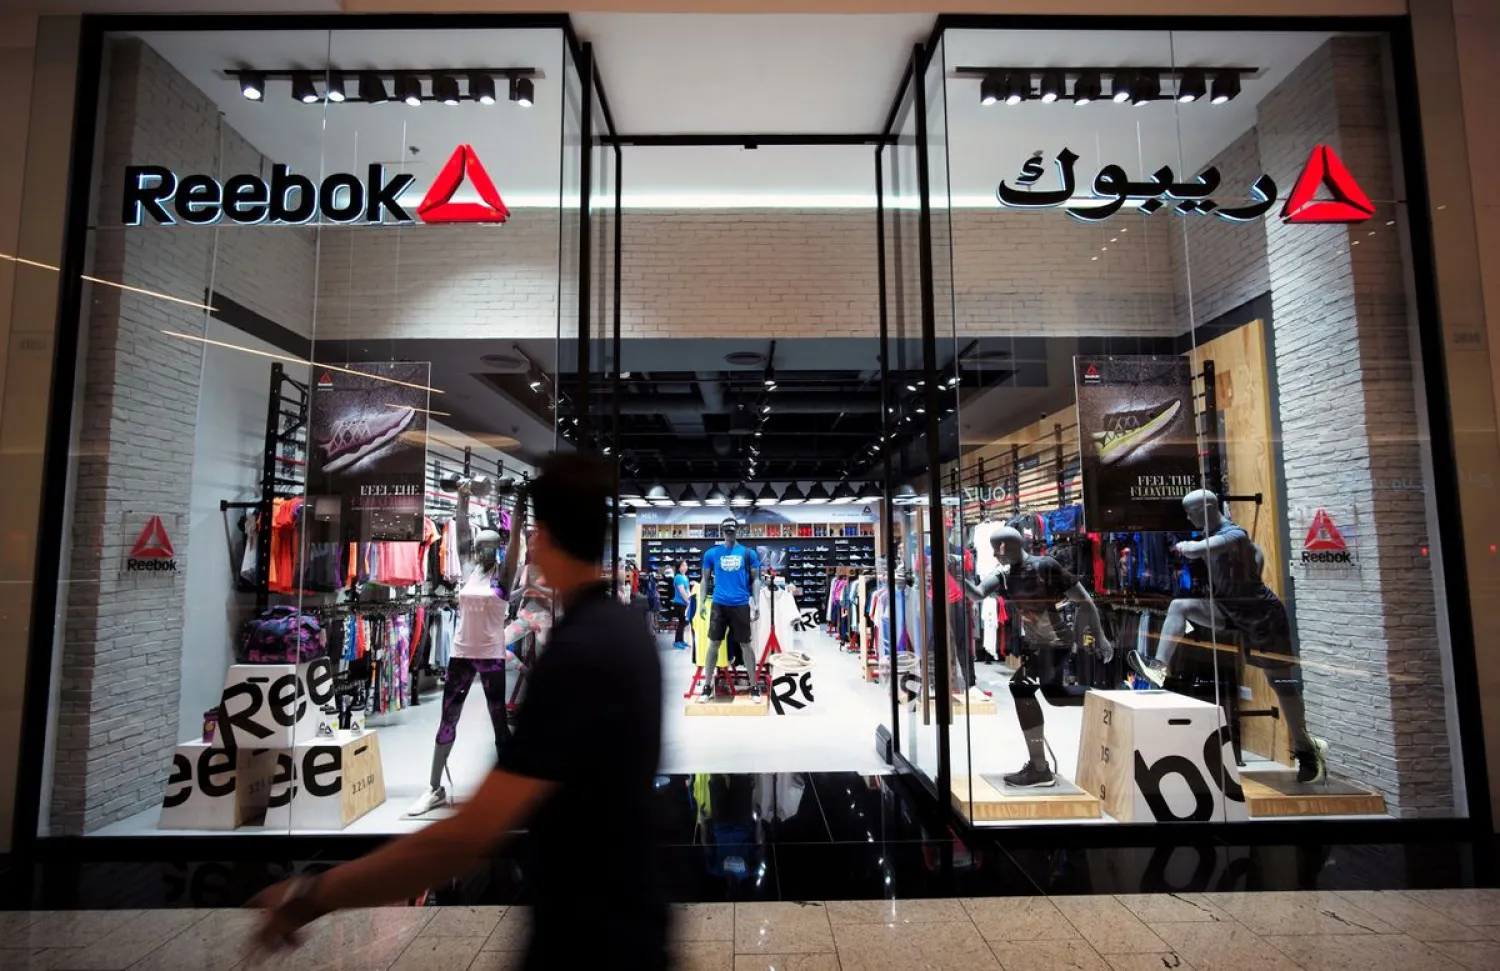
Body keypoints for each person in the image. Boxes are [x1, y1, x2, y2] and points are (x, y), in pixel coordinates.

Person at [249, 452, 668, 971]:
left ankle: (440, 785)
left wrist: (312, 895)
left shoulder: (577, 654)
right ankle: (434, 782)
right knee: (466, 725)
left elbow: (466, 837)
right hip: (625, 922)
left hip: (587, 942)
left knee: (495, 726)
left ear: (541, 538)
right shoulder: (627, 634)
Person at [671, 559, 692, 649]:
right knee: (682, 622)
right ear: (679, 568)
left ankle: (681, 640)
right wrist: (688, 602)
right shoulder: (678, 577)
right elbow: (682, 591)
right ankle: (677, 641)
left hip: (685, 602)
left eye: (686, 565)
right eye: (683, 565)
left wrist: (690, 599)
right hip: (680, 603)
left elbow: (687, 590)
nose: (685, 567)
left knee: (683, 623)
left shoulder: (685, 577)